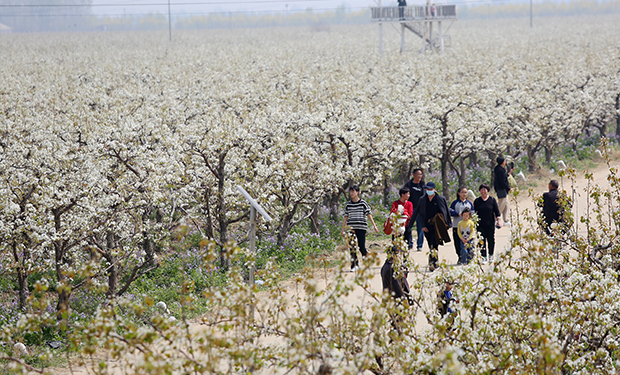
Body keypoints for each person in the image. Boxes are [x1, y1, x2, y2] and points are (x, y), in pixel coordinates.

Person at [411, 182, 451, 271]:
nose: (429, 191)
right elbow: (418, 213)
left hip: (437, 225)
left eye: (431, 189)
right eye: (427, 189)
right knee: (431, 244)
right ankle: (433, 262)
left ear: (434, 189)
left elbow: (446, 211)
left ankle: (433, 263)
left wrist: (447, 224)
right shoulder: (422, 199)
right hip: (427, 226)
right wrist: (421, 225)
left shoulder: (440, 198)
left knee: (434, 244)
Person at [342, 185, 379, 271]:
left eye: (353, 191)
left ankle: (366, 263)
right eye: (350, 192)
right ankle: (354, 265)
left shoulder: (363, 203)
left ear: (357, 192)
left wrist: (374, 226)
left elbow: (369, 214)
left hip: (361, 228)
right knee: (352, 247)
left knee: (361, 247)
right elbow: (345, 217)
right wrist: (343, 229)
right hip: (351, 228)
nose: (351, 193)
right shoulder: (348, 205)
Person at [474, 183, 502, 263]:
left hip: (490, 224)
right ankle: (483, 256)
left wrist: (499, 221)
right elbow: (474, 213)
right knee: (481, 240)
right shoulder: (477, 201)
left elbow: (497, 212)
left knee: (491, 240)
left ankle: (491, 255)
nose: (483, 191)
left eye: (485, 189)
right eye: (481, 190)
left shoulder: (492, 200)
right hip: (480, 225)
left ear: (488, 191)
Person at [449, 186, 475, 263]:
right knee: (457, 242)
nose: (464, 194)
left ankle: (468, 257)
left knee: (469, 242)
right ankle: (460, 257)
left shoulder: (469, 203)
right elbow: (450, 211)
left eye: (465, 192)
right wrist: (458, 214)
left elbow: (473, 212)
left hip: (468, 227)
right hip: (457, 225)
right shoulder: (455, 203)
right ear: (459, 193)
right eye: (462, 192)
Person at [404, 168, 426, 252]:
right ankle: (410, 243)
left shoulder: (423, 184)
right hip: (410, 208)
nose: (420, 176)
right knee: (409, 226)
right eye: (418, 174)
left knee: (420, 227)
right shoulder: (409, 184)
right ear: (414, 175)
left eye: (421, 174)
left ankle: (419, 245)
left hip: (420, 209)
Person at [493, 156, 511, 226]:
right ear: (503, 162)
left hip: (502, 189)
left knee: (506, 204)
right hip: (501, 189)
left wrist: (509, 173)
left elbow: (504, 178)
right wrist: (507, 187)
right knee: (501, 204)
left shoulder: (499, 169)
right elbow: (502, 181)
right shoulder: (499, 170)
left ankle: (506, 220)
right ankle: (495, 219)